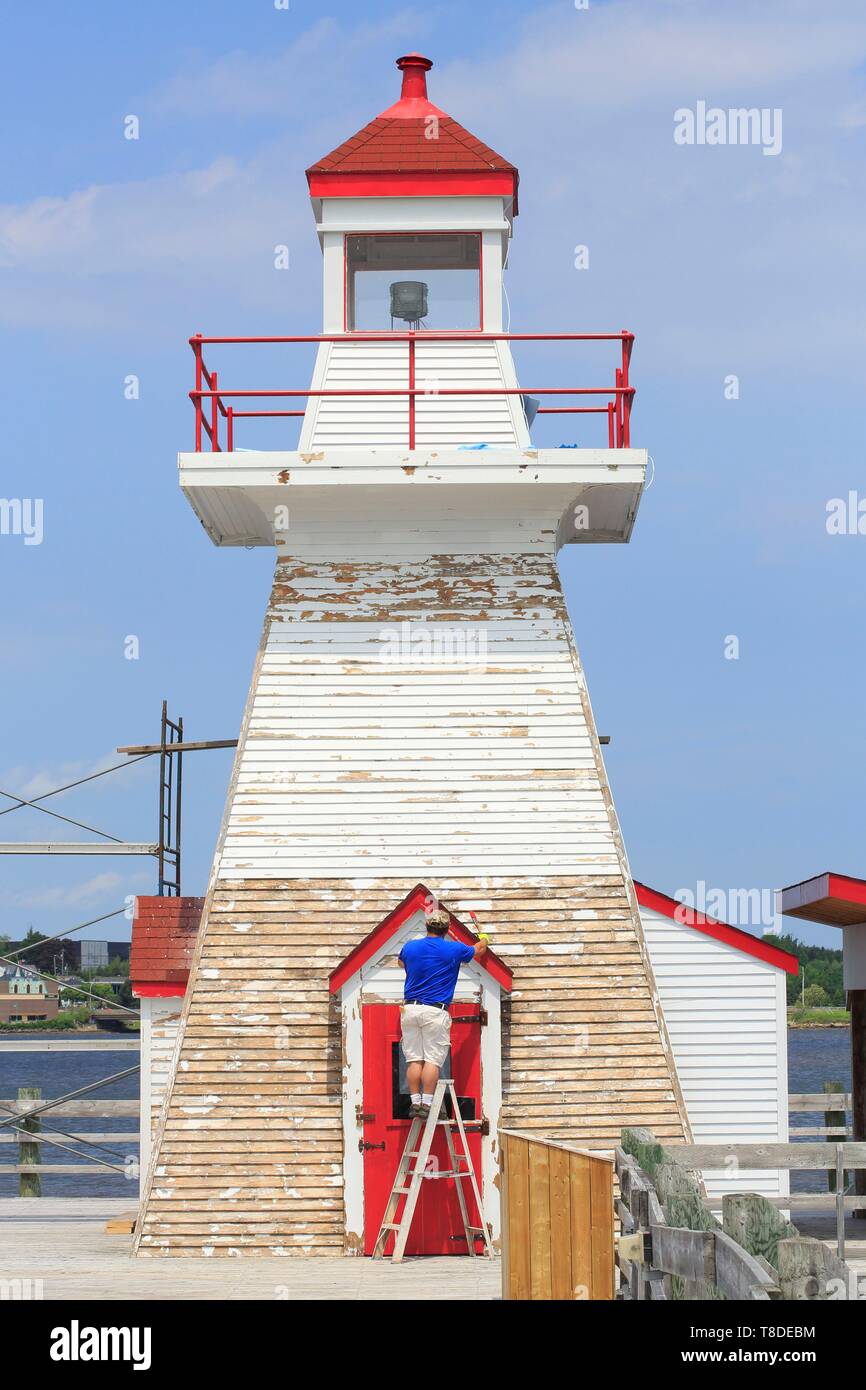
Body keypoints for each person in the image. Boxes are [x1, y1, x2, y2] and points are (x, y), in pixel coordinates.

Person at [398, 908, 489, 1119]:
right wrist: (484, 938)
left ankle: (415, 1103)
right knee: (432, 1059)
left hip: (410, 1009)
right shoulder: (453, 950)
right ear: (447, 929)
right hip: (434, 1010)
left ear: (427, 926)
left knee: (413, 1059)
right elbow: (479, 950)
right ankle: (427, 1105)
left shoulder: (410, 947)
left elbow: (401, 963)